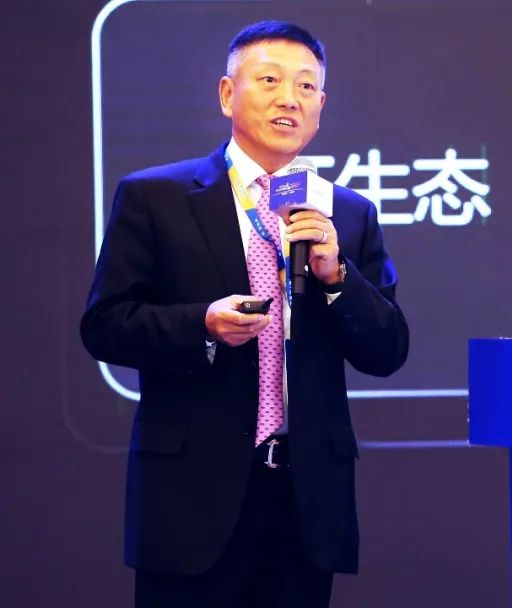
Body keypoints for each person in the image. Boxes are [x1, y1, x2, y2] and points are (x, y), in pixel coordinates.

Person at [80, 20, 409, 607]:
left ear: (321, 106)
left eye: (306, 86)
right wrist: (201, 325)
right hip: (191, 497)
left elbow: (387, 350)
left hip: (305, 501)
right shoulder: (155, 197)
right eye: (270, 80)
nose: (290, 98)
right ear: (228, 94)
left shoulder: (348, 214)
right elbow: (104, 325)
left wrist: (337, 275)